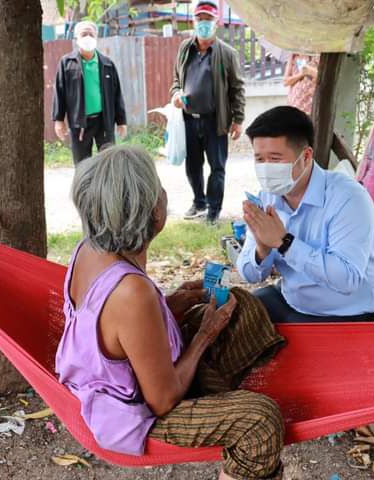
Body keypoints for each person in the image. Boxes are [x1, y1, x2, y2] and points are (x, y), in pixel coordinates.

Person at [56, 146, 286, 480]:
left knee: (240, 305)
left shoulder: (91, 247)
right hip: (134, 415)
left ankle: (218, 398)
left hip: (122, 373)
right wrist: (204, 336)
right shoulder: (132, 293)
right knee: (260, 421)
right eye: (158, 189)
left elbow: (115, 326)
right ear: (153, 213)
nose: (163, 194)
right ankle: (228, 415)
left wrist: (168, 304)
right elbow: (162, 401)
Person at [236, 106, 374, 323]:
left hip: (347, 313)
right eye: (260, 160)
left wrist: (284, 243)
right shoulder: (267, 196)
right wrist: (261, 249)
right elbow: (250, 275)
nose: (266, 169)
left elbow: (347, 279)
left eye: (275, 158)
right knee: (235, 313)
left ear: (306, 156)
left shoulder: (348, 198)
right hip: (293, 300)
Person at [170, 0, 245, 225]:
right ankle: (199, 201)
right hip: (189, 119)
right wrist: (176, 94)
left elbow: (237, 88)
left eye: (208, 20)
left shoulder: (227, 54)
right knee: (193, 166)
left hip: (215, 120)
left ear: (217, 23)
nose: (203, 24)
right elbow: (176, 80)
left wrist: (238, 119)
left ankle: (214, 210)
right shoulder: (185, 49)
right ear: (193, 22)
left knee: (217, 167)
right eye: (200, 19)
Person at [52, 21, 127, 164]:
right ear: (77, 38)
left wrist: (121, 121)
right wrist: (59, 120)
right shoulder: (67, 63)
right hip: (79, 123)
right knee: (82, 165)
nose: (88, 37)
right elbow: (59, 93)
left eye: (91, 34)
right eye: (84, 34)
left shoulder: (107, 64)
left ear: (96, 37)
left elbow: (117, 95)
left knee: (108, 163)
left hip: (104, 121)